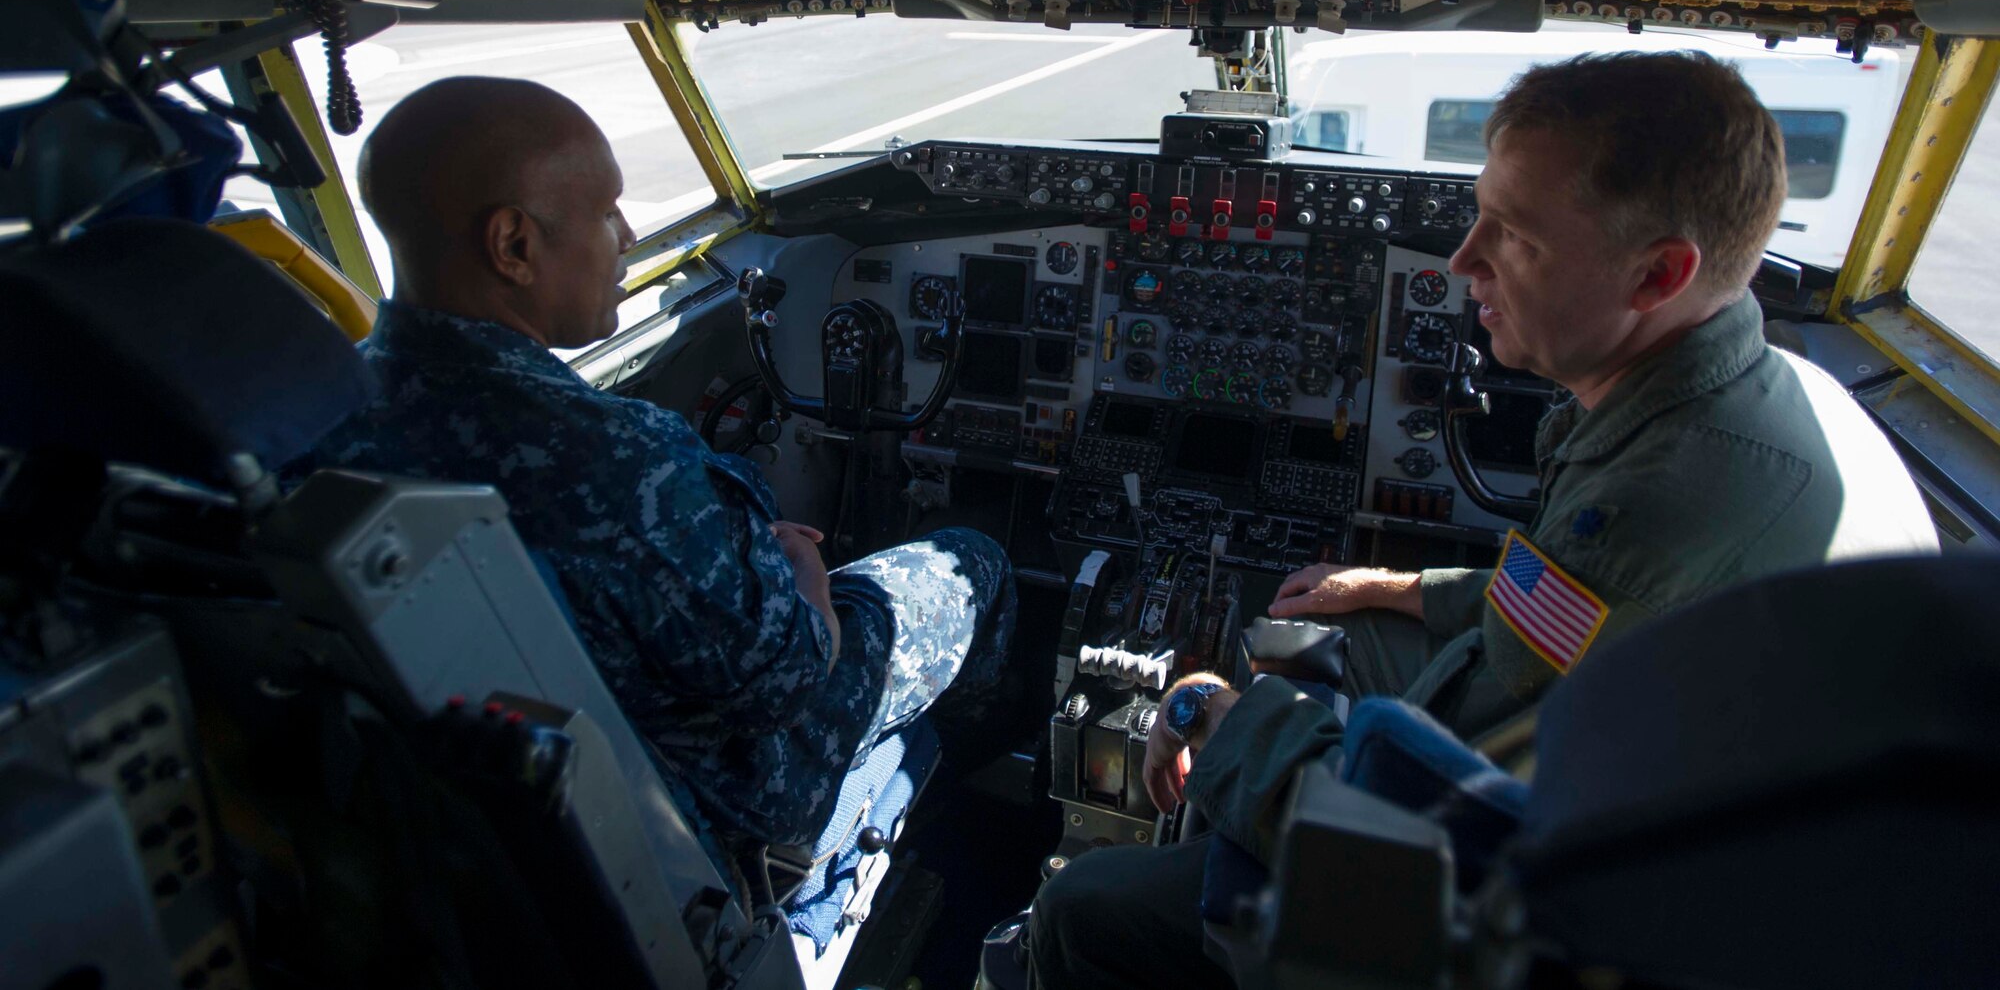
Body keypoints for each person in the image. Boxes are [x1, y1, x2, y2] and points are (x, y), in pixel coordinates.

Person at [1029, 51, 1938, 990]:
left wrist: (1207, 715)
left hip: (1547, 923)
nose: (1464, 260)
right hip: (1674, 850)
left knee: (1085, 908)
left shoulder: (1656, 511)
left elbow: (1425, 851)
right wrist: (1400, 584)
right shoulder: (1758, 394)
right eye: (1478, 217)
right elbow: (1564, 612)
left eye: (1515, 237)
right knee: (1313, 624)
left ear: (1658, 274)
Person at [299, 76, 1015, 858]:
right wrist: (805, 566)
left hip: (496, 800)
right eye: (606, 210)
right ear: (513, 245)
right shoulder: (613, 456)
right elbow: (793, 674)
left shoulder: (320, 418)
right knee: (973, 563)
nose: (629, 231)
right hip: (720, 797)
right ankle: (973, 786)